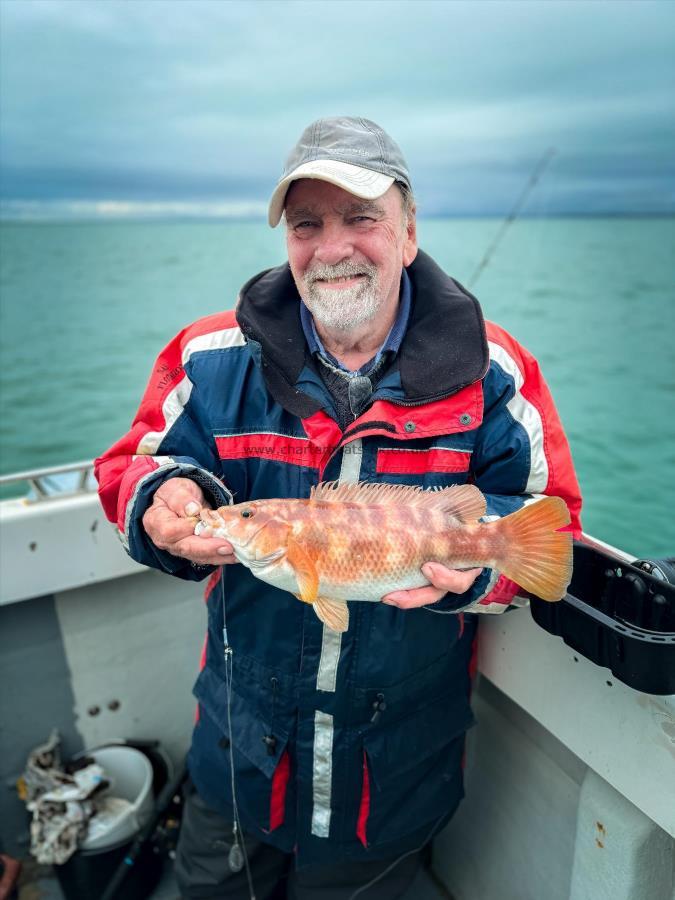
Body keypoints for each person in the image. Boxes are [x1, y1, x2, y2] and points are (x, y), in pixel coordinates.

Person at [95, 117, 582, 899]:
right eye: (306, 224)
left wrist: (481, 575)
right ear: (286, 240)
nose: (331, 248)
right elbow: (137, 466)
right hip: (235, 748)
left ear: (408, 231)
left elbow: (547, 517)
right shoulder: (206, 357)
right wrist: (162, 501)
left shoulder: (498, 374)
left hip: (393, 770)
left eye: (361, 218)